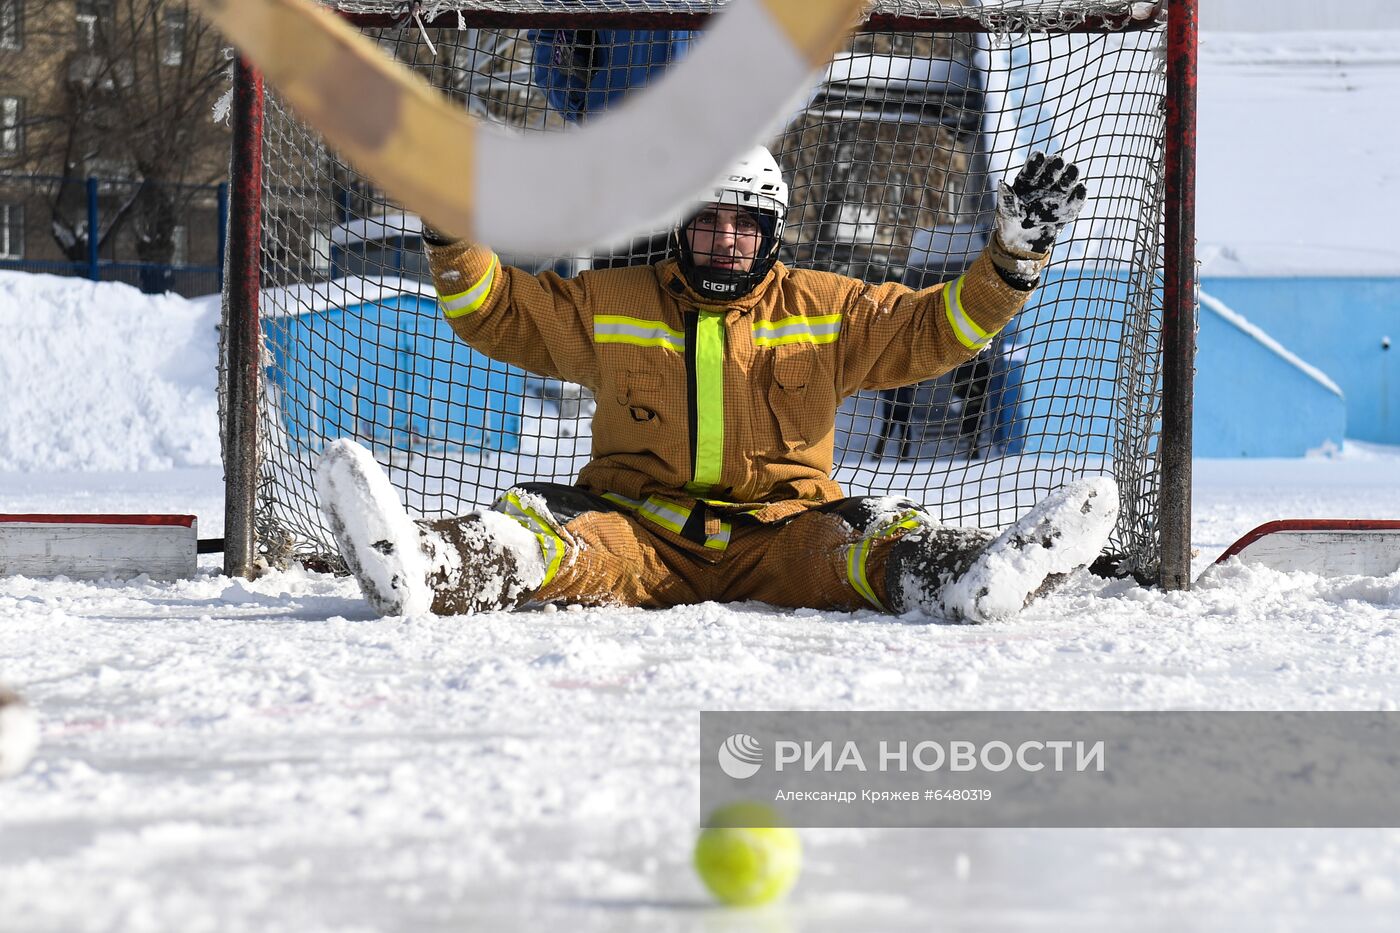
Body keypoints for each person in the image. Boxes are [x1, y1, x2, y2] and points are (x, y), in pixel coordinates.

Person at [316, 147, 1118, 621]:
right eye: (708, 221)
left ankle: (971, 577)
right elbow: (501, 312)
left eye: (746, 225)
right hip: (636, 530)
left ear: (772, 232)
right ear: (680, 227)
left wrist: (1013, 257)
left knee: (871, 538)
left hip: (785, 534)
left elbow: (936, 328)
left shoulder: (826, 307)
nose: (726, 241)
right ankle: (426, 568)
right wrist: (453, 238)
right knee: (540, 535)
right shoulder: (615, 300)